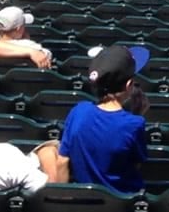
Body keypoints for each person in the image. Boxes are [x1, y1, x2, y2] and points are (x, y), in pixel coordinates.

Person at [57, 45, 151, 195]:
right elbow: (136, 164)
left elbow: (62, 161)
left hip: (83, 199)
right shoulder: (134, 124)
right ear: (128, 86)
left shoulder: (78, 111)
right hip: (121, 205)